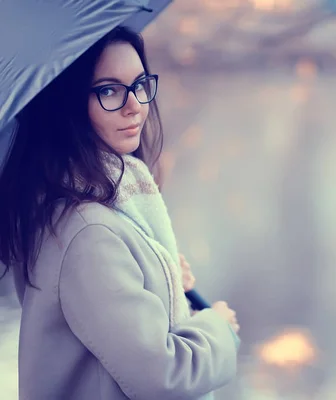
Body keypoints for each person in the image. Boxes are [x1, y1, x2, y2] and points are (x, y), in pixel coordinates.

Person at [0, 26, 239, 400]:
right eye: (108, 90)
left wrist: (163, 276)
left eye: (140, 84)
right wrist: (218, 330)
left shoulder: (91, 207)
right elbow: (161, 374)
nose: (135, 105)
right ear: (68, 104)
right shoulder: (87, 233)